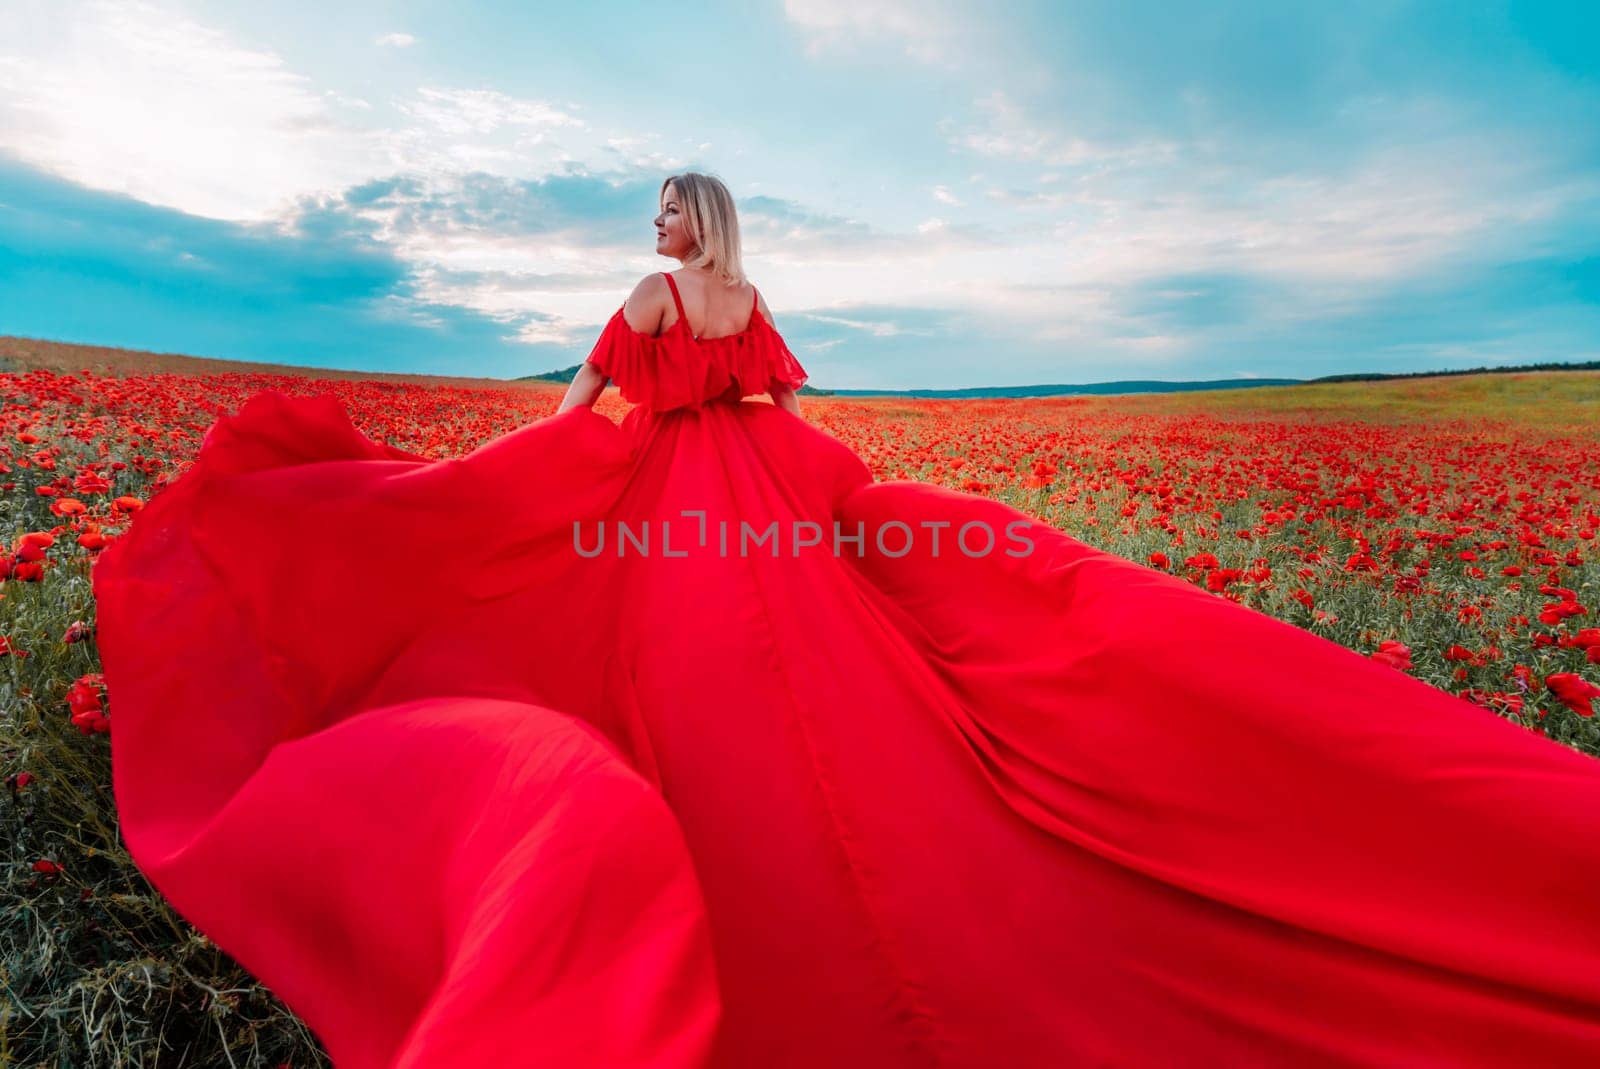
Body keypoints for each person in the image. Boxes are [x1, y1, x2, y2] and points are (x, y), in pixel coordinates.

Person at [92, 171, 1600, 1069]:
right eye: (663, 211)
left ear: (690, 221)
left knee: (671, 673)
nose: (663, 221)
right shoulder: (748, 297)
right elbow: (786, 403)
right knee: (815, 676)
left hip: (675, 496)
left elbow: (590, 395)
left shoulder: (658, 290)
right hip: (759, 489)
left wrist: (501, 469)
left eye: (670, 207)